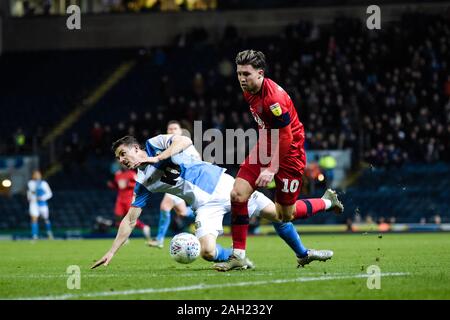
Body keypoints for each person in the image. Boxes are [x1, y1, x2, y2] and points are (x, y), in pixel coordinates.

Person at [91, 134, 341, 270]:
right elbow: (131, 219)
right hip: (204, 208)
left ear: (136, 149)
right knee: (208, 252)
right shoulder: (143, 182)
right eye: (118, 157)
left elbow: (184, 140)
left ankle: (325, 205)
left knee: (280, 215)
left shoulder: (154, 144)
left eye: (123, 153)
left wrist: (158, 159)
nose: (121, 159)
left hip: (224, 186)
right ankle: (239, 261)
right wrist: (111, 252)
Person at [214, 50, 344, 271]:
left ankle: (327, 202)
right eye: (238, 74)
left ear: (260, 73)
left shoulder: (274, 98)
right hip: (267, 143)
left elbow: (286, 136)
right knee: (237, 194)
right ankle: (238, 255)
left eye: (246, 73)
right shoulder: (249, 89)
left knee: (285, 215)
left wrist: (271, 168)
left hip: (289, 152)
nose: (242, 79)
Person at [148, 120, 198, 248]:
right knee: (182, 212)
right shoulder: (169, 145)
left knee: (165, 206)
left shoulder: (182, 143)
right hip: (175, 177)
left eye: (175, 129)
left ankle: (159, 239)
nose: (171, 131)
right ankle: (201, 212)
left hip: (184, 178)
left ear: (181, 131)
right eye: (169, 129)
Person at [107, 164, 151, 243]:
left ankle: (143, 227)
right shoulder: (118, 174)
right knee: (118, 218)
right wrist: (112, 185)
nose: (123, 166)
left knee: (130, 218)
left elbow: (138, 184)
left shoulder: (131, 174)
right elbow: (118, 186)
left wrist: (128, 184)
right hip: (120, 200)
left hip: (129, 199)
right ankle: (124, 237)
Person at [27, 170, 53, 240]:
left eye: (38, 174)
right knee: (34, 219)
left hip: (42, 203)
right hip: (34, 203)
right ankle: (35, 236)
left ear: (40, 175)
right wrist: (30, 197)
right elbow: (30, 192)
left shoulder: (44, 183)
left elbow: (50, 194)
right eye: (35, 174)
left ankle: (49, 233)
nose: (36, 176)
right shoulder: (30, 183)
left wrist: (42, 197)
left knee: (46, 219)